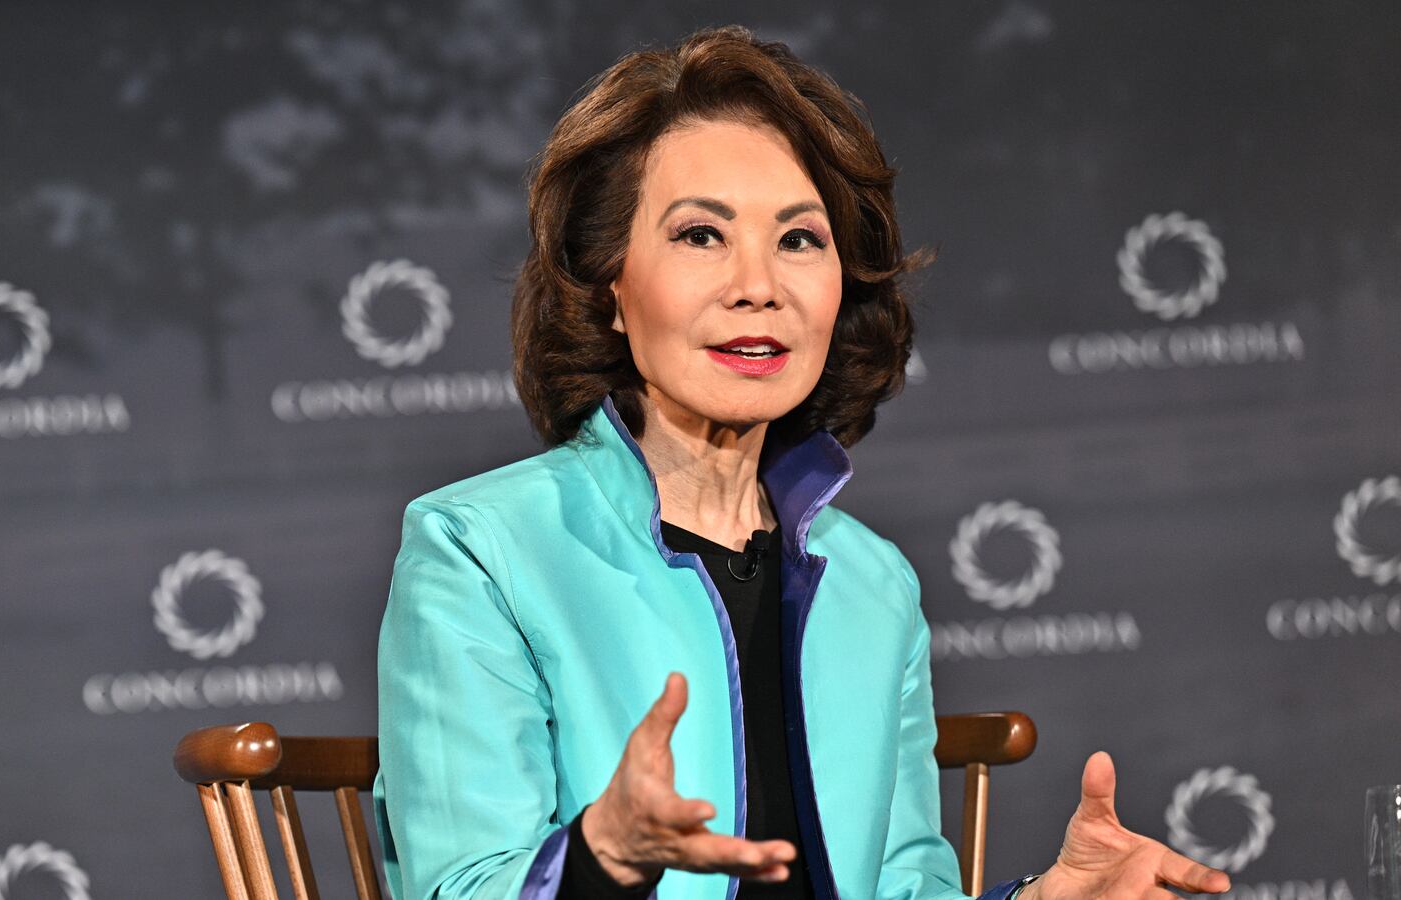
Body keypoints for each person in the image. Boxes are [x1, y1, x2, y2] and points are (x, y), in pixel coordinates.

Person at [372, 25, 1233, 900]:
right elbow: (462, 884)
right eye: (701, 235)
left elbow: (906, 888)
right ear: (611, 290)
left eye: (799, 240)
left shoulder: (873, 583)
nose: (759, 285)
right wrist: (605, 858)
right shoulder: (478, 551)